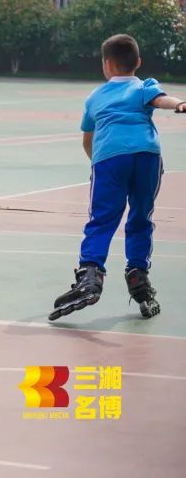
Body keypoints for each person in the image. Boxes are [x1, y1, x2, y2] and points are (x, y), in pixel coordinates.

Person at [49, 34, 185, 322]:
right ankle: (138, 275)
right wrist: (180, 104)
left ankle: (90, 274)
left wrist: (100, 165)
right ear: (138, 62)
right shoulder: (144, 87)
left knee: (102, 218)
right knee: (141, 216)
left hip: (110, 159)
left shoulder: (95, 97)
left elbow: (88, 141)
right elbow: (162, 100)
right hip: (147, 157)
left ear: (106, 65)